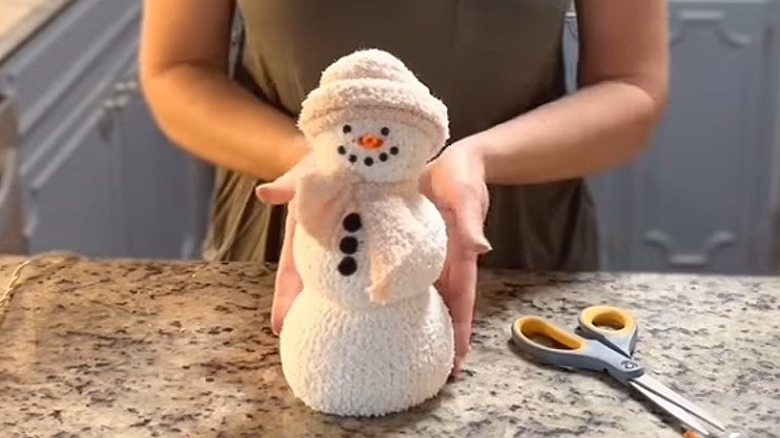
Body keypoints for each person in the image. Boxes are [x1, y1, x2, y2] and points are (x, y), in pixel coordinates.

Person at [138, 0, 668, 374]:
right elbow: (177, 67)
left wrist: (479, 158)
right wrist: (318, 160)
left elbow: (631, 85)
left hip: (518, 260)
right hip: (290, 249)